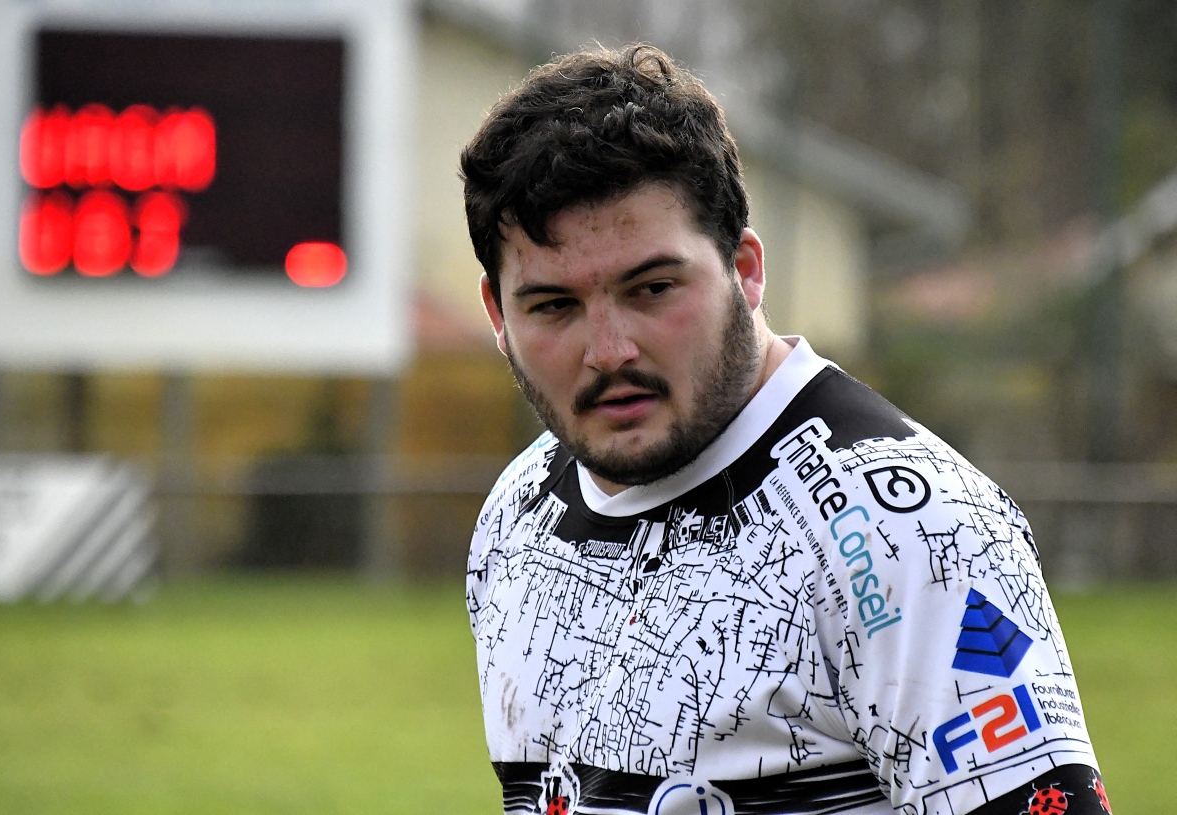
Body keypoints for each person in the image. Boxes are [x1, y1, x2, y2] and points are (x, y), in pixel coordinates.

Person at [461, 44, 1110, 815]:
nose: (608, 350)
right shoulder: (518, 514)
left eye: (653, 288)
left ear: (745, 268)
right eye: (553, 306)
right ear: (498, 313)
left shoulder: (913, 534)